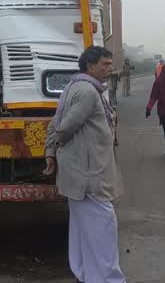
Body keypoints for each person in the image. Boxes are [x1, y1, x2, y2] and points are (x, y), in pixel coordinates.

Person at [44, 46, 126, 283]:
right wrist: (56, 147)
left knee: (82, 228)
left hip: (79, 172)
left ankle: (84, 273)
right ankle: (110, 279)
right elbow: (64, 127)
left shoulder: (73, 86)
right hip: (89, 175)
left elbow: (55, 122)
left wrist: (51, 152)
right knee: (103, 227)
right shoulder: (88, 92)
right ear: (90, 66)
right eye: (105, 64)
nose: (110, 68)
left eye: (110, 64)